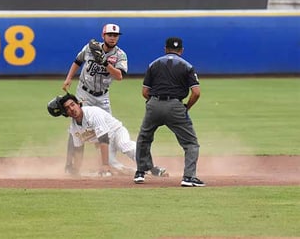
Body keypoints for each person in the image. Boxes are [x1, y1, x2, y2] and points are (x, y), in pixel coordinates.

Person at [134, 37, 205, 187]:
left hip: (154, 105)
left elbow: (145, 91)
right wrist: (186, 108)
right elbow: (196, 92)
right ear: (182, 50)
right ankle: (188, 177)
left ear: (165, 49)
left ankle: (140, 173)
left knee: (144, 138)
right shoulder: (187, 66)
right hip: (175, 106)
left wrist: (154, 102)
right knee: (191, 143)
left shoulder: (154, 64)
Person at [61, 23, 129, 174]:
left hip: (103, 96)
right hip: (84, 94)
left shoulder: (120, 55)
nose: (112, 38)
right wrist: (68, 79)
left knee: (108, 130)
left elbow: (119, 76)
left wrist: (105, 63)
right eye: (109, 35)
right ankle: (71, 165)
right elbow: (77, 61)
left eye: (115, 35)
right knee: (77, 129)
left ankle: (107, 164)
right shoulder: (91, 48)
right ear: (103, 36)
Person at [47, 93, 136, 176]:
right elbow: (79, 150)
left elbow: (103, 138)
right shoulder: (74, 128)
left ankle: (145, 161)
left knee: (124, 145)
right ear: (66, 113)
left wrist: (104, 164)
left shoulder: (92, 113)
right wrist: (76, 169)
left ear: (78, 104)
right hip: (107, 143)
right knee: (113, 166)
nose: (72, 109)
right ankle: (136, 171)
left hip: (117, 132)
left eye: (72, 105)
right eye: (67, 109)